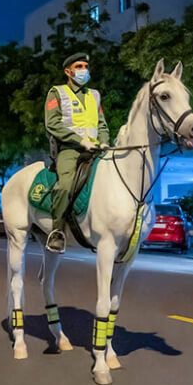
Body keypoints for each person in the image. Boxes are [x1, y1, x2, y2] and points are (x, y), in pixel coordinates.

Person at [44, 52, 110, 253]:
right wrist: (79, 141)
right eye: (79, 66)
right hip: (69, 150)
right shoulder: (57, 92)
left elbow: (102, 125)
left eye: (85, 66)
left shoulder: (94, 95)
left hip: (96, 149)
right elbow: (52, 124)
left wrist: (105, 142)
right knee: (65, 185)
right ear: (68, 71)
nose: (83, 70)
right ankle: (57, 232)